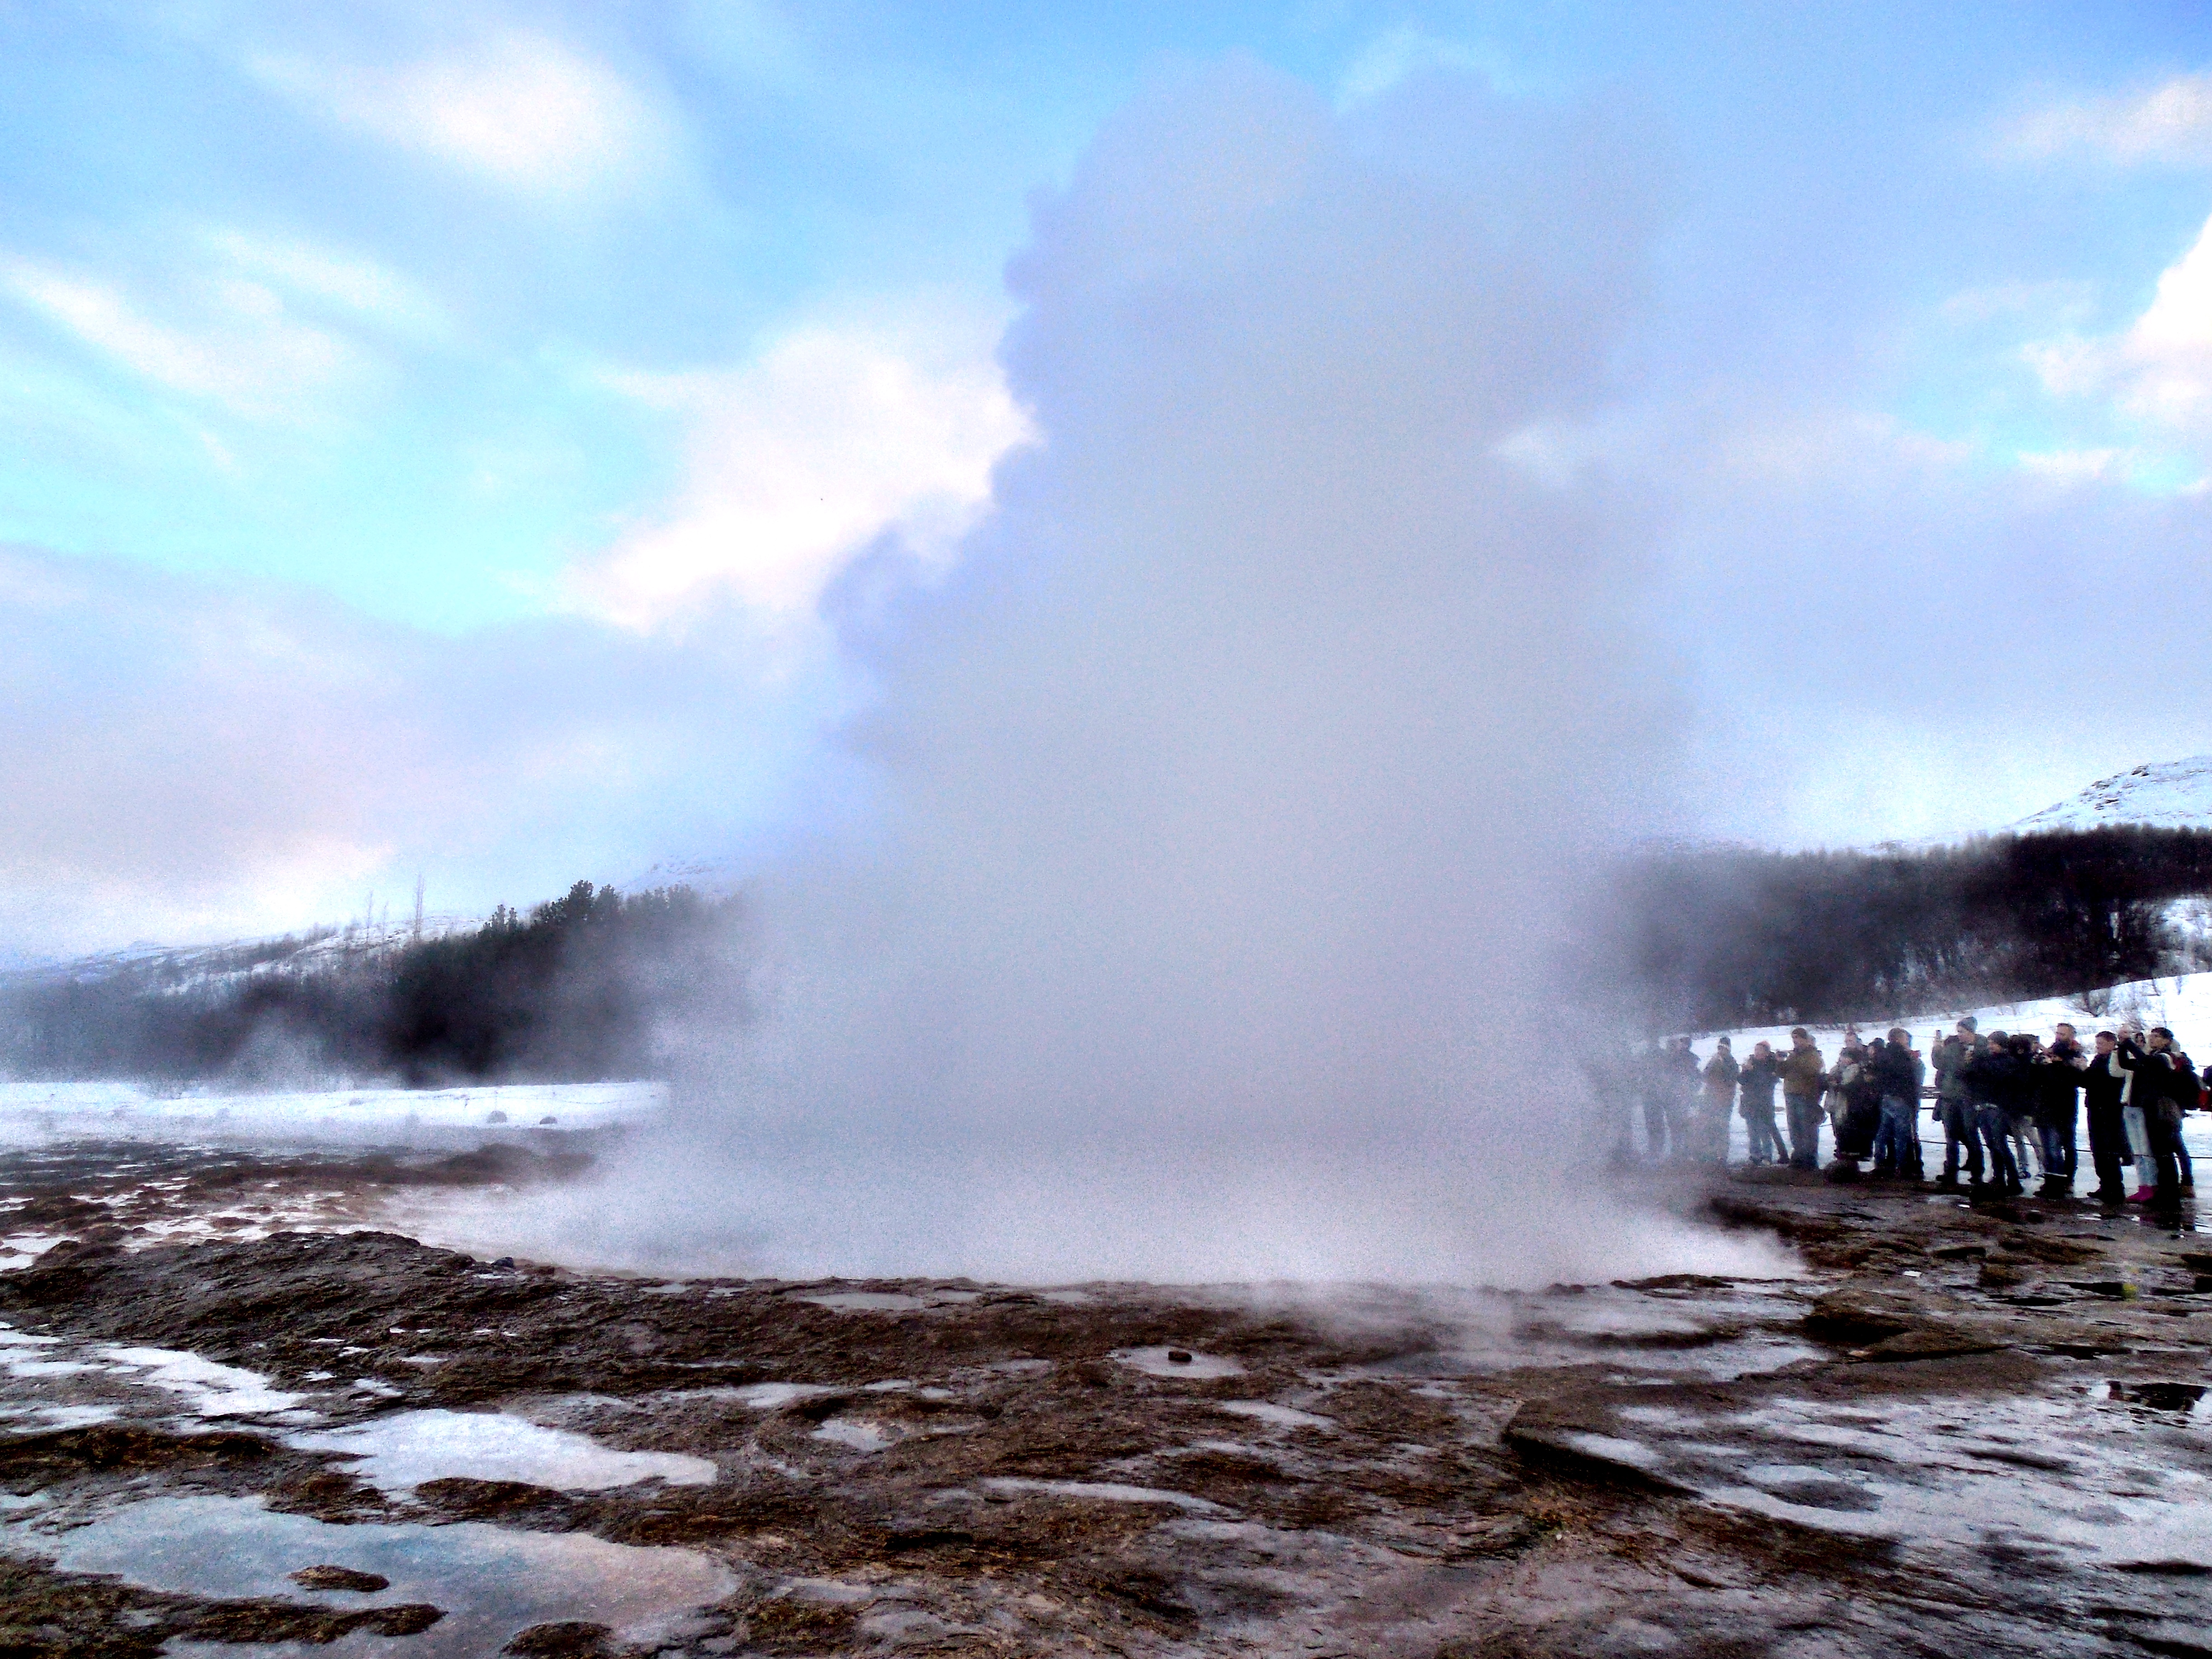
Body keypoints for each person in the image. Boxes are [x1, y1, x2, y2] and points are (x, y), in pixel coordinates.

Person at [1963, 1028, 2024, 1198]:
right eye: (1989, 1043)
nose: (1990, 1047)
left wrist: (1978, 1063)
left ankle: (2013, 1179)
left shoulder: (2009, 1061)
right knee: (1992, 1145)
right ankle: (1999, 1177)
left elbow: (1996, 1073)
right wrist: (1970, 1065)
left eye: (1993, 1043)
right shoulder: (1988, 1060)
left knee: (2000, 1144)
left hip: (1998, 1107)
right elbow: (1970, 1077)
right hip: (1983, 1105)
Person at [2033, 1022, 2086, 1196]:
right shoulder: (2051, 1057)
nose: (2058, 1036)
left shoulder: (2073, 1057)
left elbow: (2065, 1082)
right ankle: (2052, 1181)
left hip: (2062, 1111)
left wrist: (2052, 1065)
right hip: (2046, 1109)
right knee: (2049, 1148)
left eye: (2063, 1034)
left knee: (2063, 1147)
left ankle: (2065, 1180)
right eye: (2057, 1033)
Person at [2083, 1029, 2132, 1207]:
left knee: (2109, 1149)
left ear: (2112, 1043)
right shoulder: (2097, 1059)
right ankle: (2105, 1184)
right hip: (2095, 1107)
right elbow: (2087, 1080)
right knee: (2097, 1149)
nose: (2098, 1047)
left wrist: (2088, 1075)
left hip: (2110, 1109)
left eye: (2102, 1044)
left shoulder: (2117, 1059)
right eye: (2097, 1044)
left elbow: (2109, 1080)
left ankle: (2116, 1188)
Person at [1931, 1019, 1982, 1190]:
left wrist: (1967, 1064)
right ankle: (1951, 1170)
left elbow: (1966, 1072)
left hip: (1967, 1098)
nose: (1959, 1035)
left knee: (1970, 1134)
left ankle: (1977, 1172)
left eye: (1962, 1032)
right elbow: (1941, 1064)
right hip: (1949, 1096)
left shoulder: (1980, 1047)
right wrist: (1937, 1049)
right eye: (1958, 1032)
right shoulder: (1953, 1048)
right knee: (1951, 1136)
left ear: (1971, 1032)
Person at [1869, 1027, 1923, 1179]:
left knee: (1883, 1133)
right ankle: (1902, 1167)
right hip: (1901, 1098)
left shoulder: (1883, 1055)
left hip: (1887, 1097)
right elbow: (1909, 1080)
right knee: (1902, 1135)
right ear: (1899, 1039)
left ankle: (1879, 1163)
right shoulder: (1902, 1056)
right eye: (1905, 1038)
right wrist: (1912, 1101)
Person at [1781, 1028, 1826, 1170]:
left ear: (1806, 1040)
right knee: (1794, 1128)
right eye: (1794, 1038)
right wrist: (1781, 1062)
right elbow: (1782, 1073)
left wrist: (1794, 1060)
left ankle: (1810, 1160)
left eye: (1798, 1038)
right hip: (1791, 1093)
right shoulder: (1793, 1055)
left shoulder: (1813, 1055)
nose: (1796, 1041)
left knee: (1807, 1129)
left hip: (1805, 1095)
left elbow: (1811, 1071)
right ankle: (1798, 1157)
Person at [1738, 1040, 1785, 1166]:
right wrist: (1746, 1071)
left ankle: (1767, 1156)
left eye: (1759, 1050)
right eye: (1756, 1050)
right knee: (1752, 1131)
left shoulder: (1771, 1064)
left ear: (1766, 1052)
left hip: (1765, 1103)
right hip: (1749, 1102)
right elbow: (1741, 1080)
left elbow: (1769, 1081)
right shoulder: (1751, 1062)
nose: (1757, 1053)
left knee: (1764, 1131)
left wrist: (1753, 1071)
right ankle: (1755, 1155)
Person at [1701, 1038, 1741, 1165]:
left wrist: (1722, 1065)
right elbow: (1705, 1076)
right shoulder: (1713, 1061)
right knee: (1711, 1126)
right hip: (1711, 1098)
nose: (1721, 1051)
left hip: (1725, 1100)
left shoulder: (1732, 1063)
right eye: (1719, 1048)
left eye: (1723, 1049)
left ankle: (1722, 1155)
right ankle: (1711, 1153)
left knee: (1723, 1127)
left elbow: (1731, 1080)